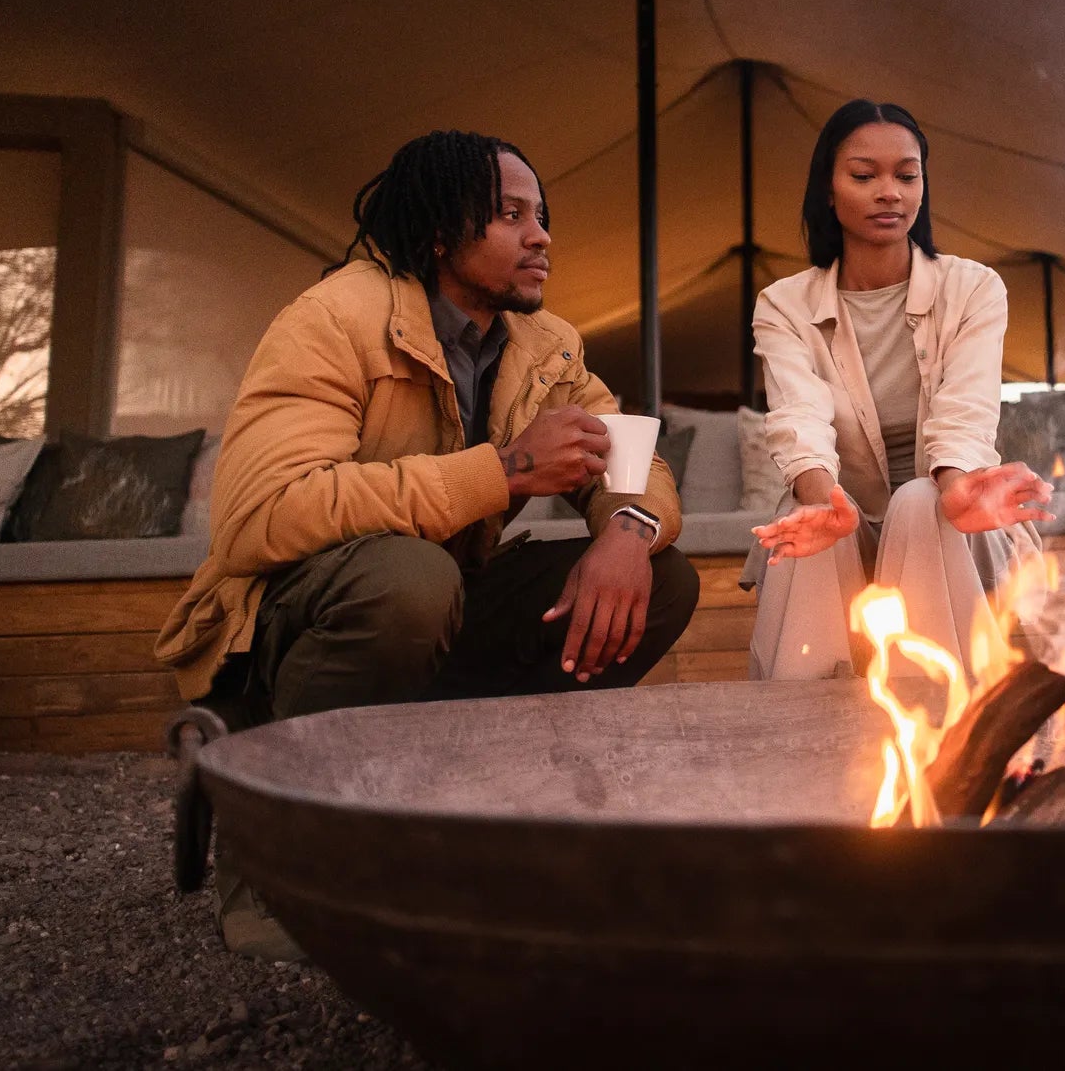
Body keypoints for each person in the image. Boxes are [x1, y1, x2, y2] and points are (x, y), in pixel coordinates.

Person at [157, 129, 697, 960]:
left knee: (660, 581)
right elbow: (257, 512)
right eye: (511, 215)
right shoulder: (336, 316)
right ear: (442, 231)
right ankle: (271, 847)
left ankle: (469, 826)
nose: (541, 234)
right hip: (290, 617)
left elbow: (631, 459)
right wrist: (504, 469)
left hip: (434, 607)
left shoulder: (544, 344)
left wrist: (629, 528)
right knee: (409, 581)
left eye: (542, 215)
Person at [747, 100, 1054, 680]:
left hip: (949, 515)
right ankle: (804, 737)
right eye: (864, 176)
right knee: (812, 512)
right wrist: (823, 500)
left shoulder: (974, 289)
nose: (890, 192)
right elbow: (798, 418)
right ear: (828, 190)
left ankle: (941, 726)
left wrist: (959, 487)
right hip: (845, 515)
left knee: (920, 502)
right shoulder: (783, 305)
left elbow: (964, 411)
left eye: (907, 175)